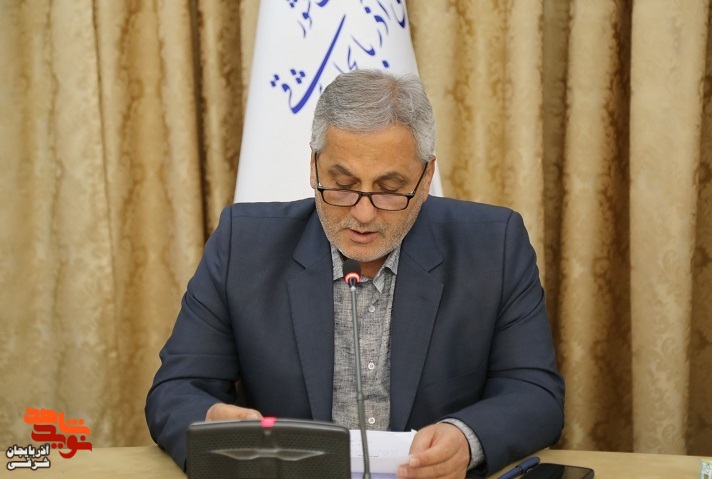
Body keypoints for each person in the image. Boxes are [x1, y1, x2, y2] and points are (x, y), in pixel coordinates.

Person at [145, 69, 564, 479]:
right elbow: (176, 391)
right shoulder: (243, 245)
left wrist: (466, 439)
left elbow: (535, 393)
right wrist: (211, 421)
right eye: (342, 185)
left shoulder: (494, 247)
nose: (363, 215)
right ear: (314, 167)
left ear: (426, 178)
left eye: (389, 189)